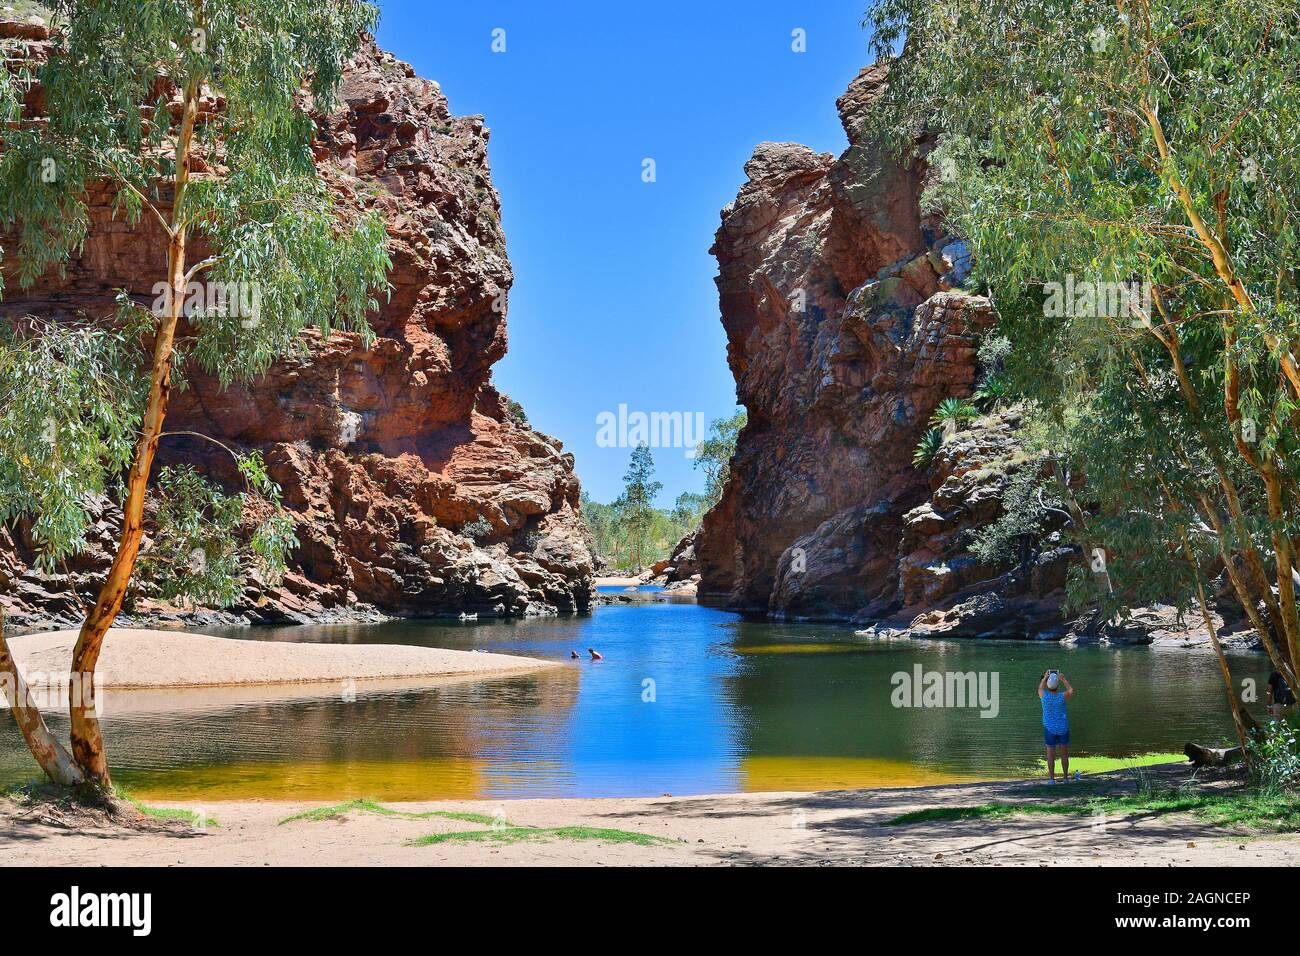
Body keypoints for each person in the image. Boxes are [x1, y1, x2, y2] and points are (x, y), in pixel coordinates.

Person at [1038, 669, 1074, 783]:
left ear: (1048, 685)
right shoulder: (1062, 696)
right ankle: (1065, 778)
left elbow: (1039, 688)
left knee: (1050, 755)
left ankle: (1052, 779)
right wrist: (1063, 679)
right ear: (1057, 685)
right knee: (1064, 754)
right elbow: (1071, 690)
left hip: (1050, 729)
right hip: (1063, 728)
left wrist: (1044, 678)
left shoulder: (1044, 696)